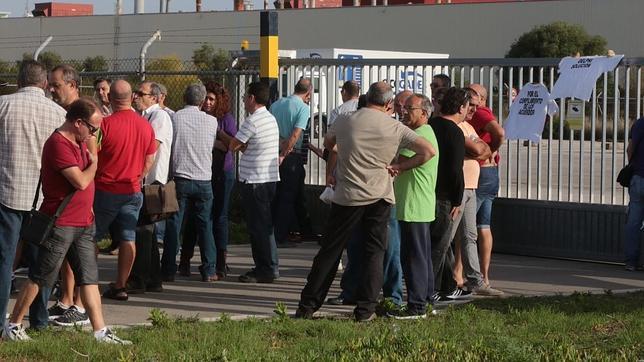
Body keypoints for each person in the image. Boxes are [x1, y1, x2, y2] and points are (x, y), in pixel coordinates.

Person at [295, 82, 435, 322]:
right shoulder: (395, 127)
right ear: (389, 103)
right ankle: (365, 310)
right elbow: (428, 151)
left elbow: (330, 143)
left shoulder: (346, 119)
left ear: (367, 97)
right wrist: (399, 166)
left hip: (347, 196)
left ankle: (307, 306)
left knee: (330, 251)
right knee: (374, 253)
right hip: (379, 197)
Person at [2, 98, 131, 345]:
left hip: (83, 223)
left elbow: (87, 174)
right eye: (93, 129)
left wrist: (91, 149)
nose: (95, 134)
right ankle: (15, 323)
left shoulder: (80, 141)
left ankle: (100, 331)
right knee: (41, 276)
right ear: (78, 122)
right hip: (60, 224)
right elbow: (81, 181)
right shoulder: (57, 144)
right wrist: (94, 163)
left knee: (89, 278)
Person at [0, 60, 66, 333]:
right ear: (44, 84)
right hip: (44, 199)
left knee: (4, 259)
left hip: (8, 191)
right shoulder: (58, 113)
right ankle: (39, 319)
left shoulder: (3, 106)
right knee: (42, 264)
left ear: (19, 81)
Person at [95, 80, 157, 301]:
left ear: (110, 98)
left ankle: (87, 283)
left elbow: (93, 153)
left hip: (106, 188)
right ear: (132, 98)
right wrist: (138, 175)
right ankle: (121, 285)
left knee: (91, 237)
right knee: (128, 238)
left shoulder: (105, 124)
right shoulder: (145, 125)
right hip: (133, 190)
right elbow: (150, 157)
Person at [45, 64, 90, 326]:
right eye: (50, 83)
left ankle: (79, 305)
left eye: (56, 84)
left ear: (72, 85)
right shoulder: (67, 113)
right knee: (68, 254)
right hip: (66, 198)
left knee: (80, 254)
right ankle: (66, 299)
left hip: (80, 198)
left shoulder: (85, 114)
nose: (51, 89)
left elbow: (91, 159)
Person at [179, 82, 237, 279]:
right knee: (193, 221)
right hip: (202, 172)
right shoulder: (200, 118)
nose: (209, 103)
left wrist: (215, 137)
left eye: (213, 99)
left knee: (218, 217)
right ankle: (185, 262)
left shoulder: (224, 120)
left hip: (222, 173)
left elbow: (231, 145)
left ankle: (220, 263)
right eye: (207, 99)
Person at [161, 83, 218, 282]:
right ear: (203, 101)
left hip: (181, 177)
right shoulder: (212, 122)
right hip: (204, 179)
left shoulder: (175, 118)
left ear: (184, 98)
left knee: (174, 224)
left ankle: (168, 269)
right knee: (205, 225)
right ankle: (209, 269)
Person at [451, 88, 502, 297]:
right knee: (462, 232)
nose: (474, 108)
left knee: (469, 232)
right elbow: (480, 148)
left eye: (475, 102)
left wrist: (486, 150)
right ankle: (455, 278)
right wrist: (483, 150)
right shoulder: (458, 126)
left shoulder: (473, 121)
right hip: (469, 184)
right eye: (469, 104)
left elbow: (487, 146)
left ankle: (469, 278)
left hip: (476, 182)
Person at [392, 93, 439, 319]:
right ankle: (426, 301)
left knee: (413, 257)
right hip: (418, 204)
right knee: (421, 256)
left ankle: (417, 306)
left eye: (410, 108)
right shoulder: (424, 132)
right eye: (404, 107)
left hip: (414, 204)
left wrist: (398, 166)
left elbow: (399, 159)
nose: (404, 112)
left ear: (423, 112)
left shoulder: (418, 135)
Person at [229, 82, 281, 283]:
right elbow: (248, 146)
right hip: (268, 179)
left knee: (258, 227)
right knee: (265, 224)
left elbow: (234, 145)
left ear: (252, 98)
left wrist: (223, 136)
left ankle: (265, 268)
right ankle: (269, 265)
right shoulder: (270, 119)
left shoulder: (251, 121)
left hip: (254, 180)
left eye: (245, 97)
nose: (243, 101)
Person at [127, 81, 173, 293]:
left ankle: (139, 278)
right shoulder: (146, 116)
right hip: (147, 180)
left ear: (154, 98)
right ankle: (154, 278)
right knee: (148, 232)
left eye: (141, 93)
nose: (136, 96)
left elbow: (151, 147)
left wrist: (138, 173)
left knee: (143, 231)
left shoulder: (160, 117)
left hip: (153, 181)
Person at [429, 87, 467, 300]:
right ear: (461, 107)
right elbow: (455, 169)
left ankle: (448, 285)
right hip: (444, 197)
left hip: (427, 191)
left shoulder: (431, 125)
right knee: (439, 245)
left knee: (440, 245)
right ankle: (430, 289)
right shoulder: (455, 132)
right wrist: (457, 198)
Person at [467, 83, 505, 286]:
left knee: (466, 226)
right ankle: (484, 276)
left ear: (482, 100)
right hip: (491, 174)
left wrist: (490, 150)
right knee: (483, 225)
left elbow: (499, 132)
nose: (469, 98)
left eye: (473, 95)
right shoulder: (484, 112)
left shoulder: (480, 113)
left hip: (481, 172)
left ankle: (461, 276)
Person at [270, 78, 312, 248]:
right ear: (308, 93)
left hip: (273, 153)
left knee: (277, 195)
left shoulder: (276, 104)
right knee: (287, 198)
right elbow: (295, 135)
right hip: (290, 156)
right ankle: (280, 237)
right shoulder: (303, 108)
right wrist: (285, 152)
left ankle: (273, 232)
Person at [624, 117, 644, 271]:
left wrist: (632, 165)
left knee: (633, 223)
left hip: (638, 177)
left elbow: (630, 148)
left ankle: (631, 261)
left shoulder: (640, 123)